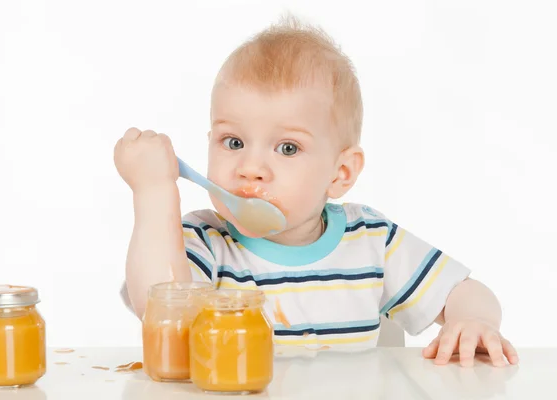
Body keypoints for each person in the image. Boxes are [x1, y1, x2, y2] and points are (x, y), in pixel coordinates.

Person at [114, 15, 518, 368]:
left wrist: (474, 322)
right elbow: (161, 308)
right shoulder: (203, 243)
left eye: (287, 148)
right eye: (233, 142)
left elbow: (463, 292)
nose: (250, 167)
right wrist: (154, 193)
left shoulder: (372, 241)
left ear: (340, 173)